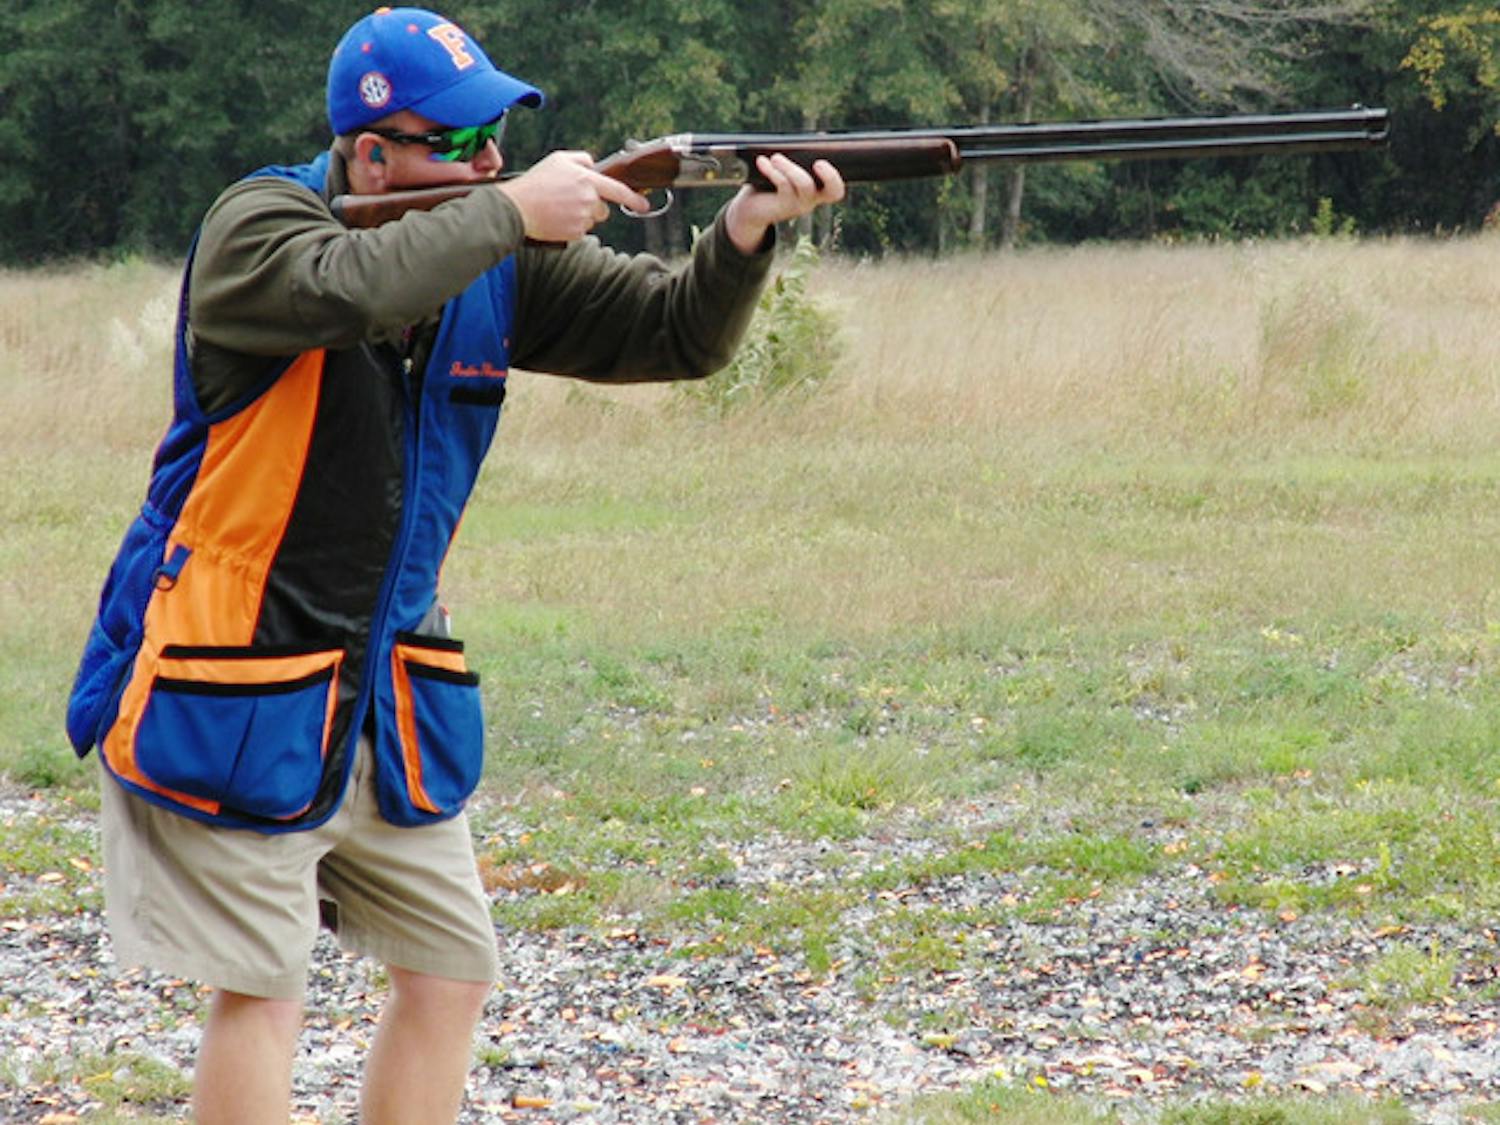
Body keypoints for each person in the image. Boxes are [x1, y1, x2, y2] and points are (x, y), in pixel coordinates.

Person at [64, 7, 844, 1122]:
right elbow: (350, 289)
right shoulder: (259, 225)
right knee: (262, 993)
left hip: (386, 688)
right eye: (461, 144)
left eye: (498, 144)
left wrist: (745, 236)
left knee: (450, 968)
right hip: (226, 675)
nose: (489, 164)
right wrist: (506, 213)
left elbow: (675, 333)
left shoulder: (489, 254)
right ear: (370, 153)